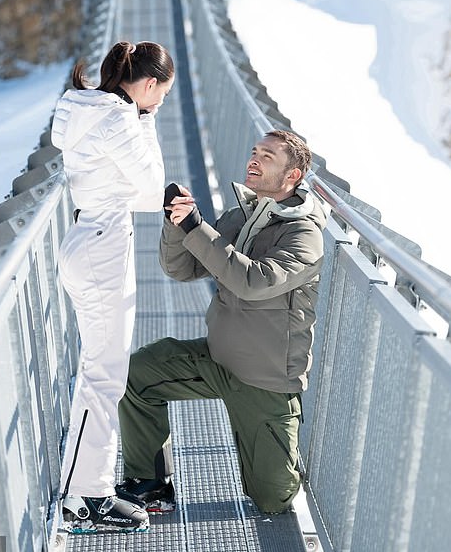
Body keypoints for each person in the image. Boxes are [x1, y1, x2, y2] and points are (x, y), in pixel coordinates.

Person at [117, 129, 327, 515]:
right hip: (217, 360)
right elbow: (180, 269)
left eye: (267, 156)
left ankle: (284, 448)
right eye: (254, 151)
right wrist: (177, 224)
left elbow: (253, 281)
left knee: (272, 501)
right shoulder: (242, 215)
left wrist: (197, 228)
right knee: (138, 374)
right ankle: (149, 481)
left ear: (292, 176)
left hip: (265, 383)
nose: (254, 160)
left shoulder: (304, 235)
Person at [51, 40, 175, 533]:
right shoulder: (121, 118)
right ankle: (83, 497)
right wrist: (147, 119)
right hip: (103, 246)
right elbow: (150, 190)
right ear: (147, 85)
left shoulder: (86, 106)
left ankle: (88, 489)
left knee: (101, 373)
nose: (159, 104)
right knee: (103, 378)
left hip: (86, 235)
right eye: (160, 95)